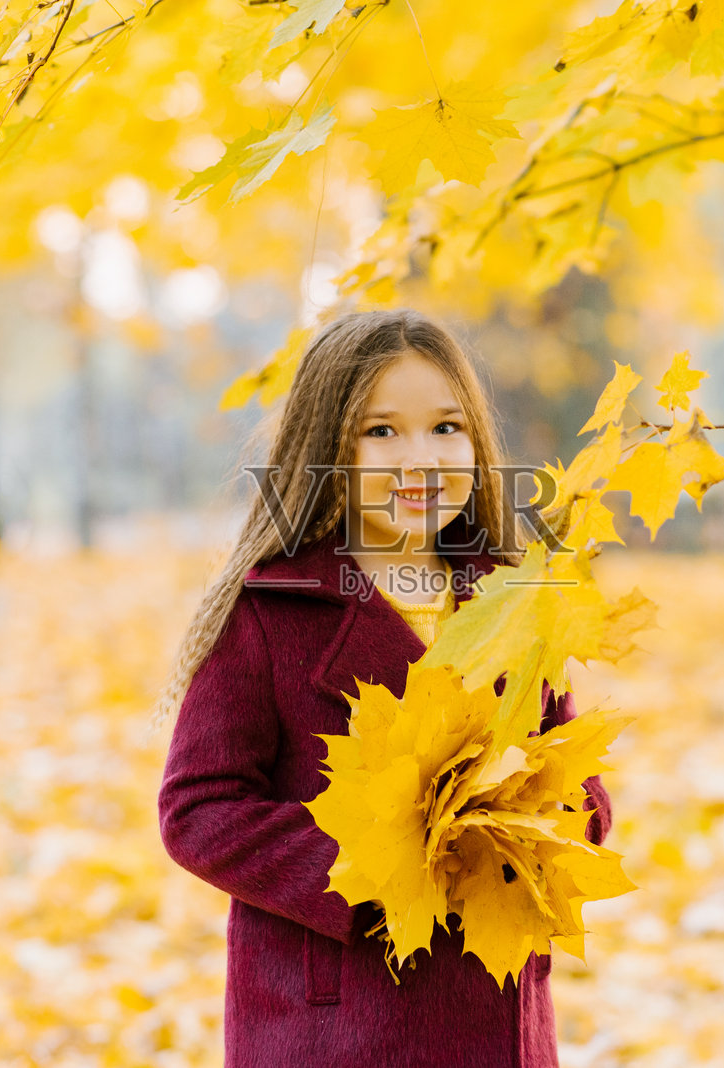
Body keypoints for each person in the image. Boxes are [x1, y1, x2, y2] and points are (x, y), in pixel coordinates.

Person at [152, 309, 612, 1068]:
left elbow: (575, 773)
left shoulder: (516, 599)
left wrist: (552, 823)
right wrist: (365, 866)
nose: (420, 460)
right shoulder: (271, 612)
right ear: (327, 449)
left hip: (501, 1019)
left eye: (445, 428)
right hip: (341, 1026)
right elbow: (198, 807)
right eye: (381, 432)